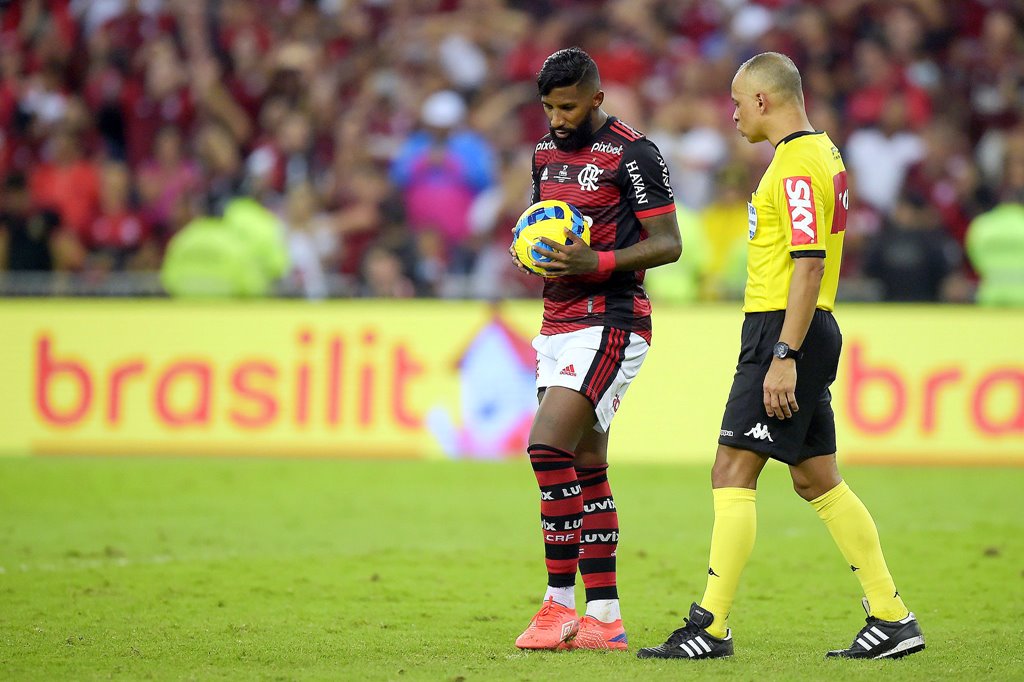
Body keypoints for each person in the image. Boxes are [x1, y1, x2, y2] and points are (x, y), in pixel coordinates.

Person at [637, 52, 925, 661]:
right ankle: (892, 617)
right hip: (801, 327)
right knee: (816, 477)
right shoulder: (824, 153)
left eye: (739, 102)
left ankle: (709, 626)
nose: (734, 113)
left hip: (785, 329)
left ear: (764, 101)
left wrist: (784, 353)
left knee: (731, 470)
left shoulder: (795, 166)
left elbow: (809, 261)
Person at [510, 47, 681, 651]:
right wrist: (539, 251)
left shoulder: (634, 152)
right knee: (586, 468)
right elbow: (551, 220)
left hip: (611, 320)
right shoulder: (543, 154)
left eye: (569, 106)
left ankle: (558, 607)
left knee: (544, 445)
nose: (557, 118)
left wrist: (597, 261)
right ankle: (604, 619)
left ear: (597, 100)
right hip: (557, 321)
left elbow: (668, 243)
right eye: (550, 107)